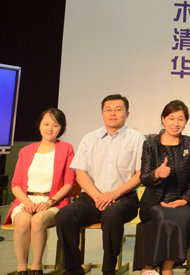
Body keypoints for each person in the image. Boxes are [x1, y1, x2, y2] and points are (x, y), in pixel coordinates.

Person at [56, 94, 145, 275]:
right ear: (102, 113)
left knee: (112, 214)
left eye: (118, 110)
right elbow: (80, 173)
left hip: (123, 199)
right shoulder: (90, 138)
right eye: (108, 110)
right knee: (64, 215)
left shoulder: (137, 139)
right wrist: (98, 197)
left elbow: (140, 174)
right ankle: (73, 269)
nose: (113, 114)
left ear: (127, 114)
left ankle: (109, 269)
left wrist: (113, 194)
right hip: (92, 199)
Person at [133, 100, 190, 275]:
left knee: (182, 217)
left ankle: (167, 267)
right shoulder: (150, 145)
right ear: (163, 119)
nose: (176, 123)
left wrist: (185, 200)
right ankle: (148, 268)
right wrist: (156, 173)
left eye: (181, 119)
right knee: (162, 216)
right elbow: (143, 178)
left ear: (186, 122)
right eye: (171, 118)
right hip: (154, 202)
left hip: (182, 202)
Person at [8, 108, 75, 275]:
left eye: (55, 125)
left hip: (54, 202)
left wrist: (49, 202)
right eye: (46, 124)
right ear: (39, 126)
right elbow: (15, 184)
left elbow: (69, 183)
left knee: (38, 220)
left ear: (61, 129)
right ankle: (22, 268)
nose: (50, 128)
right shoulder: (26, 151)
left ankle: (37, 267)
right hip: (26, 201)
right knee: (22, 222)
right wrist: (27, 202)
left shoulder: (66, 148)